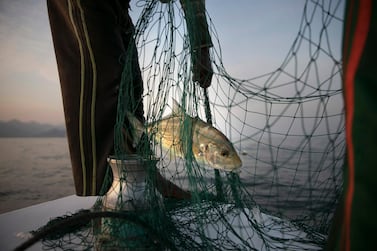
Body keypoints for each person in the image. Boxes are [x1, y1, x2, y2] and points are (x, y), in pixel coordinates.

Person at [47, 0, 213, 197]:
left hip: (119, 5)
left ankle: (145, 178)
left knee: (131, 87)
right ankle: (102, 193)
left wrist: (201, 46)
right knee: (105, 84)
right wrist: (201, 46)